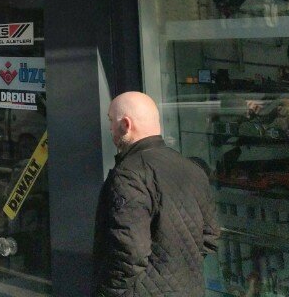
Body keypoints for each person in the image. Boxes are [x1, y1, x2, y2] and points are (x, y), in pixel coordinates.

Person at [93, 91, 219, 296]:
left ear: (126, 124)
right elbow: (210, 237)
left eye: (111, 121)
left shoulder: (129, 175)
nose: (110, 129)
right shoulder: (192, 169)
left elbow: (128, 252)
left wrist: (106, 293)